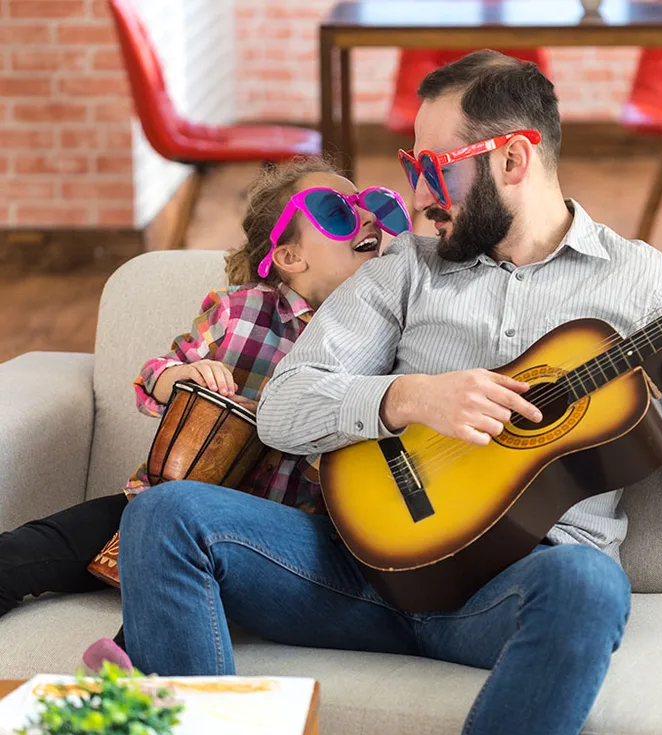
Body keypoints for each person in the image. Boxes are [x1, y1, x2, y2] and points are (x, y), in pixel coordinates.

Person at [117, 51, 662, 735]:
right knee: (165, 515)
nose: (419, 194)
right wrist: (409, 397)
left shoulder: (644, 288)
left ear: (513, 161)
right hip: (359, 571)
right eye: (412, 167)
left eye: (436, 168)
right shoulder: (407, 266)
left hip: (510, 595)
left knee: (589, 586)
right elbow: (284, 408)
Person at [0, 158, 410, 664]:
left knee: (181, 580)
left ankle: (130, 670)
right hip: (160, 503)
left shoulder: (390, 340)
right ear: (288, 256)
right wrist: (184, 377)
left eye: (370, 205)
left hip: (268, 543)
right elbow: (154, 374)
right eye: (336, 212)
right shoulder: (241, 312)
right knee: (25, 551)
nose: (366, 218)